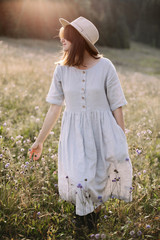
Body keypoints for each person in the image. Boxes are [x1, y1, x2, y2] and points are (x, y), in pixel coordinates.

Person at [29, 16, 133, 232]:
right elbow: (54, 107)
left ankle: (90, 222)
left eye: (66, 38)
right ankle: (83, 223)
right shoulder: (61, 70)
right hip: (74, 132)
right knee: (80, 180)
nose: (62, 41)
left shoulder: (105, 66)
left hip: (102, 131)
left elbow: (117, 105)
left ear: (79, 40)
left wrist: (120, 138)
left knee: (97, 179)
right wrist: (40, 141)